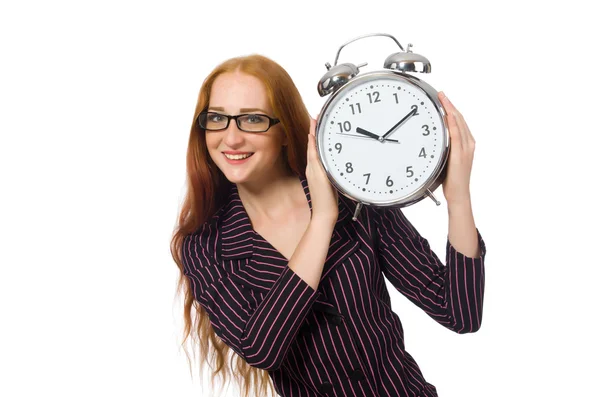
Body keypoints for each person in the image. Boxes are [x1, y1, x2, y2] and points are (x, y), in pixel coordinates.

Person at [171, 54, 487, 397]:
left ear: (285, 131)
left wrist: (458, 200)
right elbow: (261, 348)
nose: (231, 139)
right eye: (218, 118)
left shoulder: (353, 191)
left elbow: (459, 312)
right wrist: (322, 219)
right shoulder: (205, 245)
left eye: (252, 119)